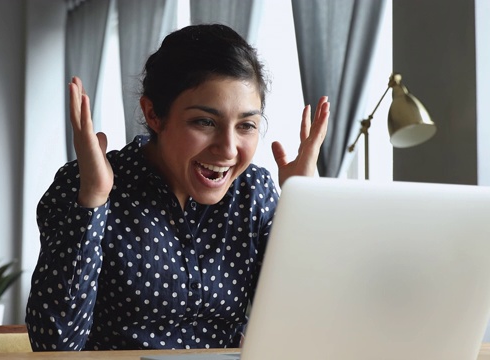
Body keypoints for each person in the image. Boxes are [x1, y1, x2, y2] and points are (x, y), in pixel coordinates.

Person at [25, 23, 329, 351]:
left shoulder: (253, 192)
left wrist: (303, 209)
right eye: (205, 122)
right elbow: (54, 346)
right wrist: (93, 200)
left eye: (246, 125)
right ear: (154, 114)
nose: (228, 148)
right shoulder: (83, 183)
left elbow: (304, 330)